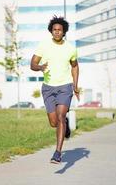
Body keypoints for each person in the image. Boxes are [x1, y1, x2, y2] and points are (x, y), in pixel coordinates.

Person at [30, 15, 80, 164]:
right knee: (54, 122)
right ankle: (64, 124)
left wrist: (75, 86)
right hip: (48, 88)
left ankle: (57, 153)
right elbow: (32, 64)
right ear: (51, 31)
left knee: (59, 117)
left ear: (64, 31)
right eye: (54, 29)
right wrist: (39, 67)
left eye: (60, 30)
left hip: (65, 87)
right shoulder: (43, 45)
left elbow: (75, 66)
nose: (57, 32)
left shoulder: (71, 48)